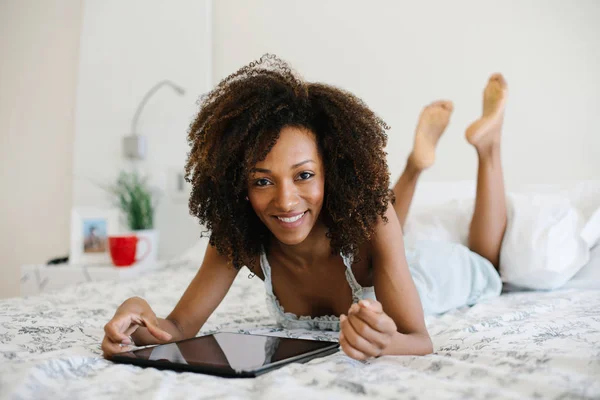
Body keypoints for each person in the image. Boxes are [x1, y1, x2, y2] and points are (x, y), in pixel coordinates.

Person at [102, 54, 505, 360]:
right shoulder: (239, 239)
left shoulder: (373, 220)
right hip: (390, 254)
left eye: (304, 175)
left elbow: (419, 340)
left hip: (425, 276)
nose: (285, 201)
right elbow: (176, 327)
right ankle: (416, 166)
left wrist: (388, 342)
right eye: (262, 181)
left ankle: (486, 148)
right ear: (237, 185)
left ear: (333, 172)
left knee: (487, 262)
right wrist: (135, 314)